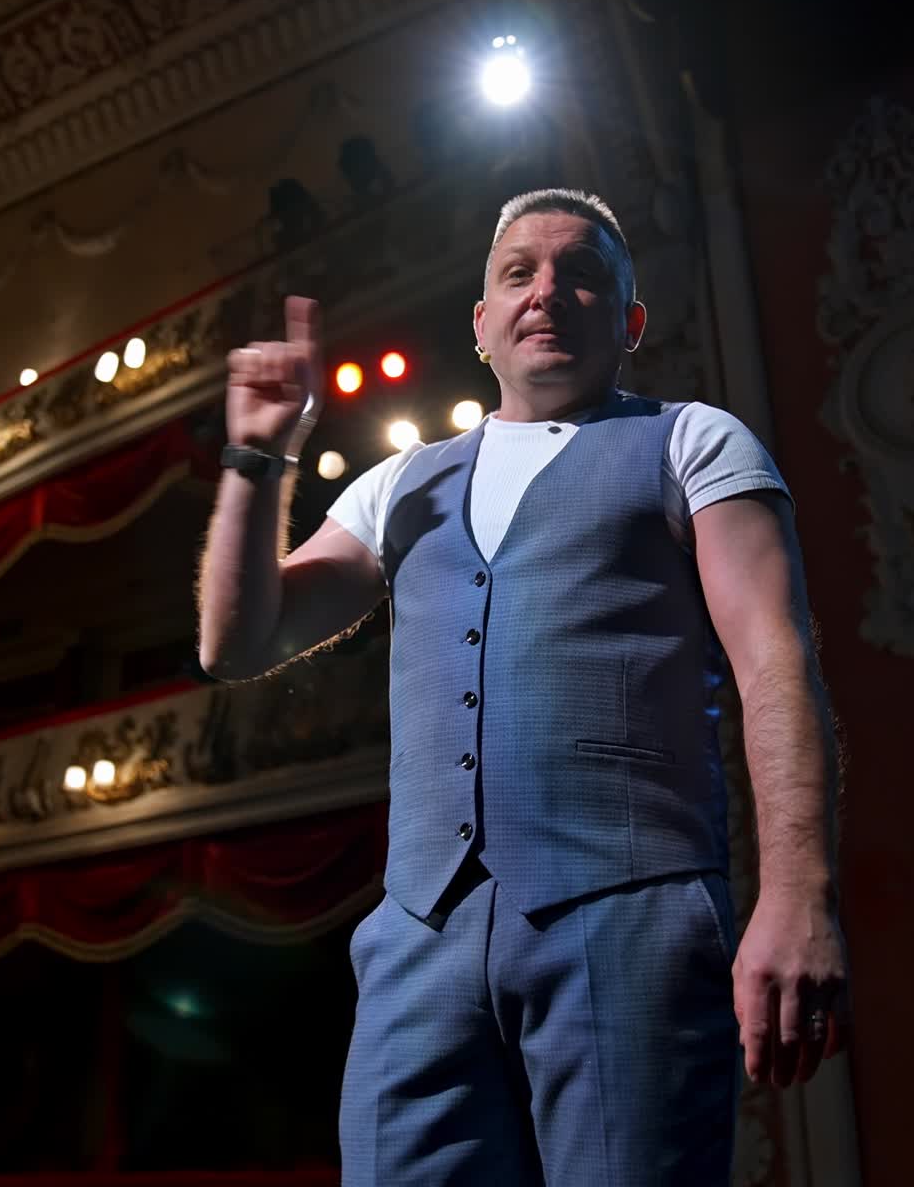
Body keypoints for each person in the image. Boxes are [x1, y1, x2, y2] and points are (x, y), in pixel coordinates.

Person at [197, 188, 848, 1185]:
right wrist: (256, 454)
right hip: (418, 933)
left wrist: (795, 893)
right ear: (481, 324)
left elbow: (774, 662)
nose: (546, 290)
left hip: (628, 913)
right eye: (518, 272)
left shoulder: (691, 441)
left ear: (627, 322)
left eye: (579, 272)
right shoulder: (398, 482)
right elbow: (237, 643)